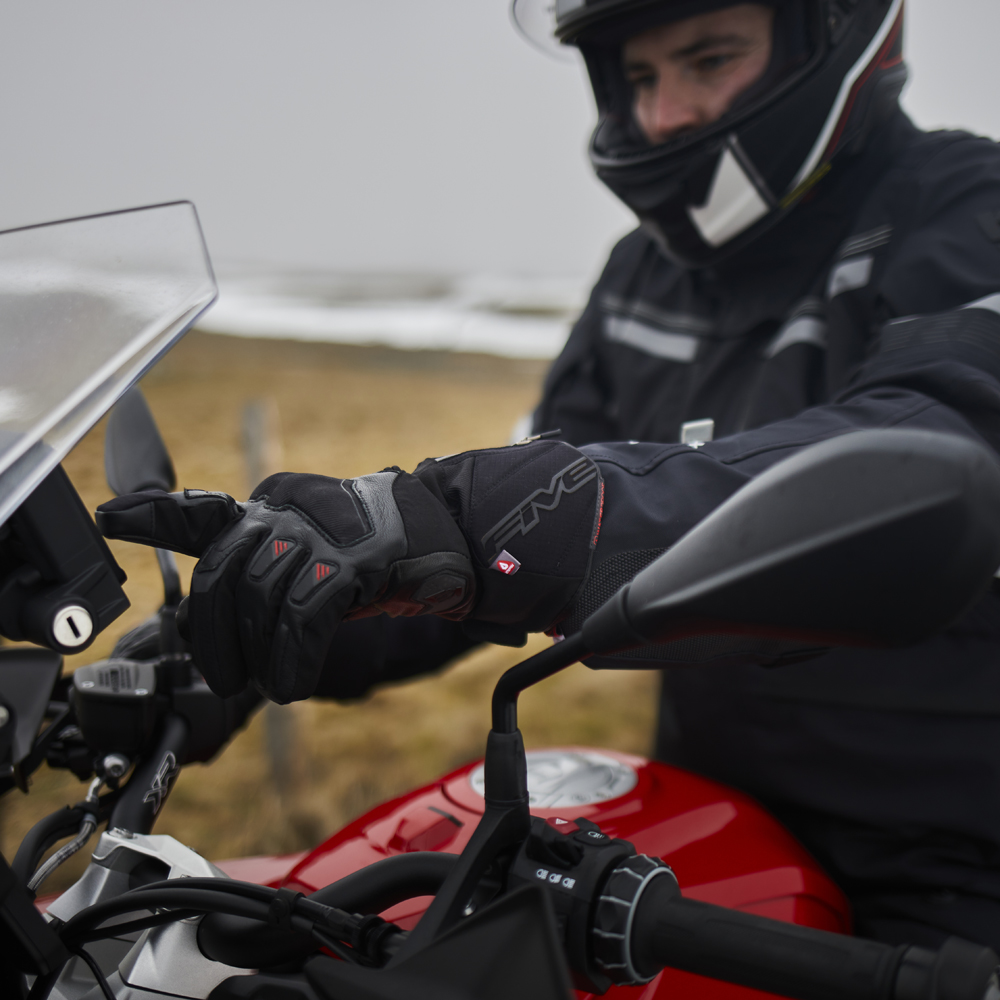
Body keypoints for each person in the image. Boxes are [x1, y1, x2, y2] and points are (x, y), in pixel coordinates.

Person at [97, 0, 1000, 951]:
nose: (664, 114)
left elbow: (948, 430)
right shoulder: (643, 275)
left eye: (710, 58)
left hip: (952, 871)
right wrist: (283, 615)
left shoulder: (970, 213)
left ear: (838, 31)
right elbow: (477, 555)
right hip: (714, 838)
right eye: (640, 77)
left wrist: (485, 515)